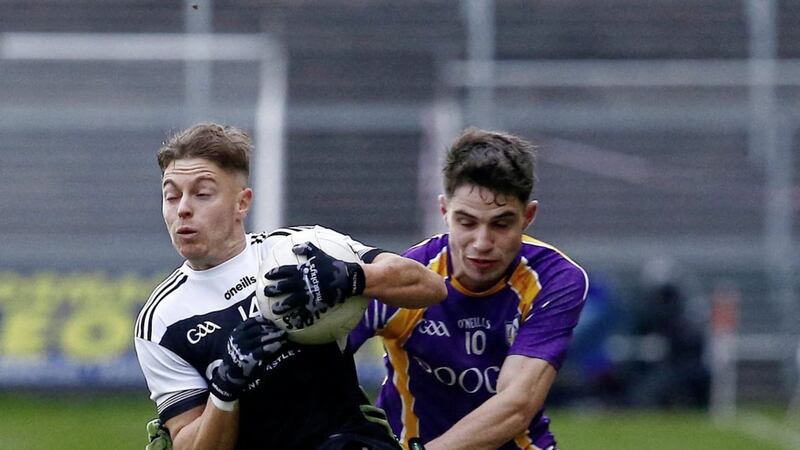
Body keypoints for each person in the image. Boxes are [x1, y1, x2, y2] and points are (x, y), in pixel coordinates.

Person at [134, 123, 447, 450]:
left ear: (242, 203)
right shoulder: (162, 320)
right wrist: (225, 389)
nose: (183, 208)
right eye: (171, 195)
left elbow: (430, 286)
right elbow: (188, 444)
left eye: (202, 194)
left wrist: (351, 278)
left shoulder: (299, 247)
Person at [346, 128, 589, 450]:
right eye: (467, 222)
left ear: (528, 217)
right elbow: (315, 358)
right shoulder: (407, 277)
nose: (482, 243)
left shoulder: (555, 280)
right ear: (444, 211)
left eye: (501, 224)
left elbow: (516, 405)